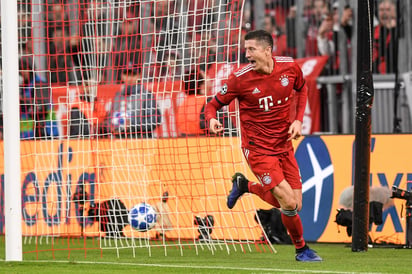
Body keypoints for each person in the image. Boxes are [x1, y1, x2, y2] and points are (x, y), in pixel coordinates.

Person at [204, 29, 322, 262]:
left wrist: (298, 119)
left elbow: (302, 88)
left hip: (283, 145)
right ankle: (302, 250)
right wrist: (212, 120)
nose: (247, 54)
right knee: (287, 202)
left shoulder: (289, 67)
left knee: (294, 205)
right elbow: (212, 105)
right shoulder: (240, 78)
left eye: (251, 49)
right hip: (257, 148)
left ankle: (246, 186)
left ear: (268, 50)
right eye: (245, 49)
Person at [100, 61, 161, 138]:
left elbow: (155, 120)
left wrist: (132, 125)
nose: (129, 78)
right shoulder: (117, 96)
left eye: (133, 75)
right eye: (126, 74)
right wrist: (111, 127)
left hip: (141, 140)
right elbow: (110, 119)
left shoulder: (146, 95)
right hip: (119, 141)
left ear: (139, 76)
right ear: (122, 76)